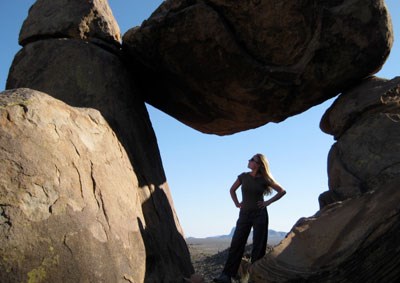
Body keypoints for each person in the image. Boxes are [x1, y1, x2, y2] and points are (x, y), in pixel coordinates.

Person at [214, 153, 286, 283]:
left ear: (258, 164)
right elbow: (232, 190)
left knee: (258, 246)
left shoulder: (264, 178)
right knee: (237, 243)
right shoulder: (243, 177)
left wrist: (267, 203)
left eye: (252, 160)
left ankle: (255, 277)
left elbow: (282, 191)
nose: (249, 161)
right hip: (244, 215)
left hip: (260, 215)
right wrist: (237, 204)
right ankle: (226, 276)